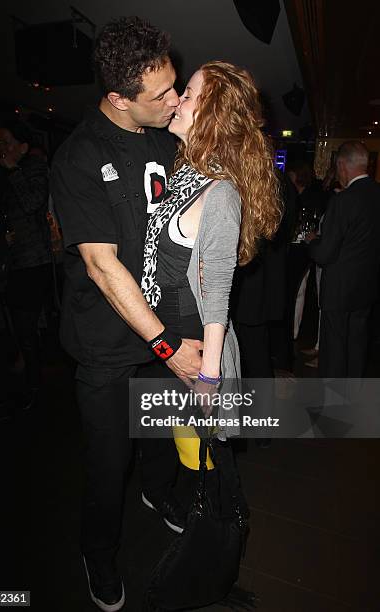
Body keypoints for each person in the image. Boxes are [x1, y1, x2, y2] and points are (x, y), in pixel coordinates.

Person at [50, 17, 203, 612]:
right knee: (108, 465)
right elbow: (103, 268)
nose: (174, 98)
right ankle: (98, 551)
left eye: (174, 84)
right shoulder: (79, 157)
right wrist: (168, 345)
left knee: (162, 438)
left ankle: (159, 494)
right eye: (160, 94)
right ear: (117, 99)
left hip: (160, 333)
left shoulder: (167, 138)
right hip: (107, 346)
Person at [141, 61, 281, 473]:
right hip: (162, 335)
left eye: (187, 94)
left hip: (189, 342)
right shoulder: (184, 173)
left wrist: (208, 378)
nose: (176, 101)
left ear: (213, 114)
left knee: (198, 465)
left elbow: (217, 296)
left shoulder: (219, 193)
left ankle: (207, 531)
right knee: (172, 454)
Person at [305, 141, 380, 377]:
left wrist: (312, 241)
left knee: (334, 347)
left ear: (341, 165)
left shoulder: (343, 201)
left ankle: (335, 401)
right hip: (367, 285)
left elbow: (325, 253)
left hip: (339, 288)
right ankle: (355, 395)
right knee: (357, 343)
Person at [0, 120, 52, 408]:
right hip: (14, 261)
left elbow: (33, 202)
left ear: (23, 146)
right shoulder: (0, 177)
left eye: (7, 142)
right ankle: (31, 376)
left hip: (35, 261)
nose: (1, 149)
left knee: (27, 327)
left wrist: (13, 171)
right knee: (20, 326)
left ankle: (35, 387)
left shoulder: (33, 169)